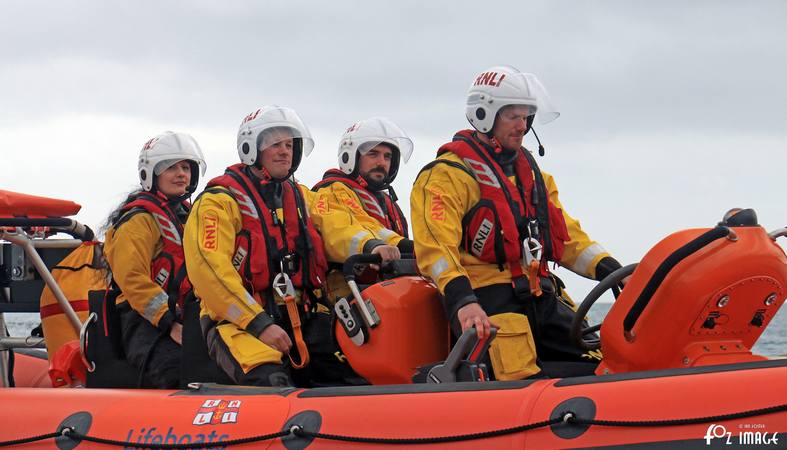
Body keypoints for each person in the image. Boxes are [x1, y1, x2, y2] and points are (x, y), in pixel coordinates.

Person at [411, 66, 623, 379]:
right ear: (484, 114)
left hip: (540, 297)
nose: (522, 126)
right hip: (487, 303)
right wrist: (463, 303)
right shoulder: (445, 177)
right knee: (523, 378)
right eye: (513, 116)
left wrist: (615, 273)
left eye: (527, 117)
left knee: (610, 361)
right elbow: (436, 251)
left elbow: (568, 240)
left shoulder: (535, 179)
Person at [183, 106, 401, 387]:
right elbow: (209, 271)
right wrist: (259, 324)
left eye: (289, 145)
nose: (284, 151)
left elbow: (336, 226)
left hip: (303, 318)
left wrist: (373, 245)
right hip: (240, 322)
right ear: (251, 148)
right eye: (275, 144)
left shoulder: (299, 197)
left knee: (355, 378)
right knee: (271, 381)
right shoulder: (218, 202)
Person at [103, 131, 207, 388]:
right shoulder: (139, 221)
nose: (181, 173)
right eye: (171, 167)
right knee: (175, 372)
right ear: (151, 173)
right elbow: (132, 280)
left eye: (185, 167)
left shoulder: (191, 217)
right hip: (145, 323)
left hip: (189, 317)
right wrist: (170, 322)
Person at [312, 117, 414, 254]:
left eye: (387, 157)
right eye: (373, 154)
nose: (382, 163)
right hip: (346, 275)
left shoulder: (386, 201)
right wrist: (402, 245)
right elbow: (357, 227)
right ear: (350, 156)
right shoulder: (333, 191)